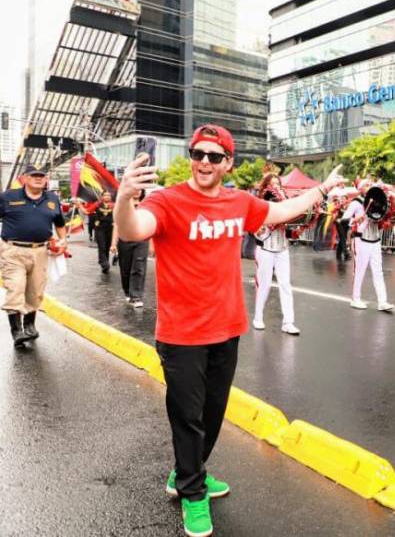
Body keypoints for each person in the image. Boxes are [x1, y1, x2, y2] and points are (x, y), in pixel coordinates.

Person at [114, 124, 345, 537]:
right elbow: (133, 230)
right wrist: (123, 198)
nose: (204, 162)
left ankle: (188, 472)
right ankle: (192, 491)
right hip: (181, 334)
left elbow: (279, 212)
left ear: (228, 163)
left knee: (213, 415)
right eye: (198, 154)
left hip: (226, 329)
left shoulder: (239, 202)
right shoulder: (168, 201)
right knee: (187, 418)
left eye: (214, 156)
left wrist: (322, 190)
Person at [0, 165, 67, 347]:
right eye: (34, 175)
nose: (38, 178)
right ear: (25, 178)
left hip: (41, 251)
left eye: (41, 176)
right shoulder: (7, 197)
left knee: (35, 290)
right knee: (16, 287)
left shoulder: (52, 199)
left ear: (45, 179)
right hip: (13, 251)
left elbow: (60, 223)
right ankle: (17, 332)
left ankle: (29, 325)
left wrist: (63, 241)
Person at [251, 174, 299, 335]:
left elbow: (289, 231)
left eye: (278, 184)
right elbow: (256, 231)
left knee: (285, 284)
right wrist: (266, 227)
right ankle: (258, 317)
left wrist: (298, 230)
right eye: (272, 185)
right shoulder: (260, 205)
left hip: (282, 248)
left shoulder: (285, 205)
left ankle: (288, 322)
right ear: (266, 187)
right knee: (264, 284)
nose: (276, 187)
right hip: (265, 249)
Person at [343, 179, 394, 311]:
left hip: (375, 240)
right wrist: (355, 220)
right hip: (361, 240)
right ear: (360, 189)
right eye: (366, 185)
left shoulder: (378, 202)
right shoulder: (356, 203)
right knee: (359, 271)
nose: (369, 186)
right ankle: (355, 299)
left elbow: (382, 216)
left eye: (370, 185)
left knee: (378, 271)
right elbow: (343, 220)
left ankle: (382, 301)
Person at [110, 189, 149, 308]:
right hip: (125, 240)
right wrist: (113, 243)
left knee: (139, 268)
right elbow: (117, 225)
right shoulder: (123, 206)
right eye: (135, 189)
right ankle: (127, 291)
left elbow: (150, 224)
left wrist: (152, 244)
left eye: (140, 190)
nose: (137, 192)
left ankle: (136, 296)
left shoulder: (147, 205)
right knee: (125, 269)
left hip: (142, 240)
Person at [91, 190, 115, 273]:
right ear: (102, 196)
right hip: (100, 228)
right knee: (102, 245)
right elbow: (87, 211)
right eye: (105, 195)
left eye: (109, 195)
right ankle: (105, 263)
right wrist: (79, 205)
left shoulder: (114, 205)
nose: (107, 197)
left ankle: (104, 263)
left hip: (110, 228)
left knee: (107, 246)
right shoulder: (97, 204)